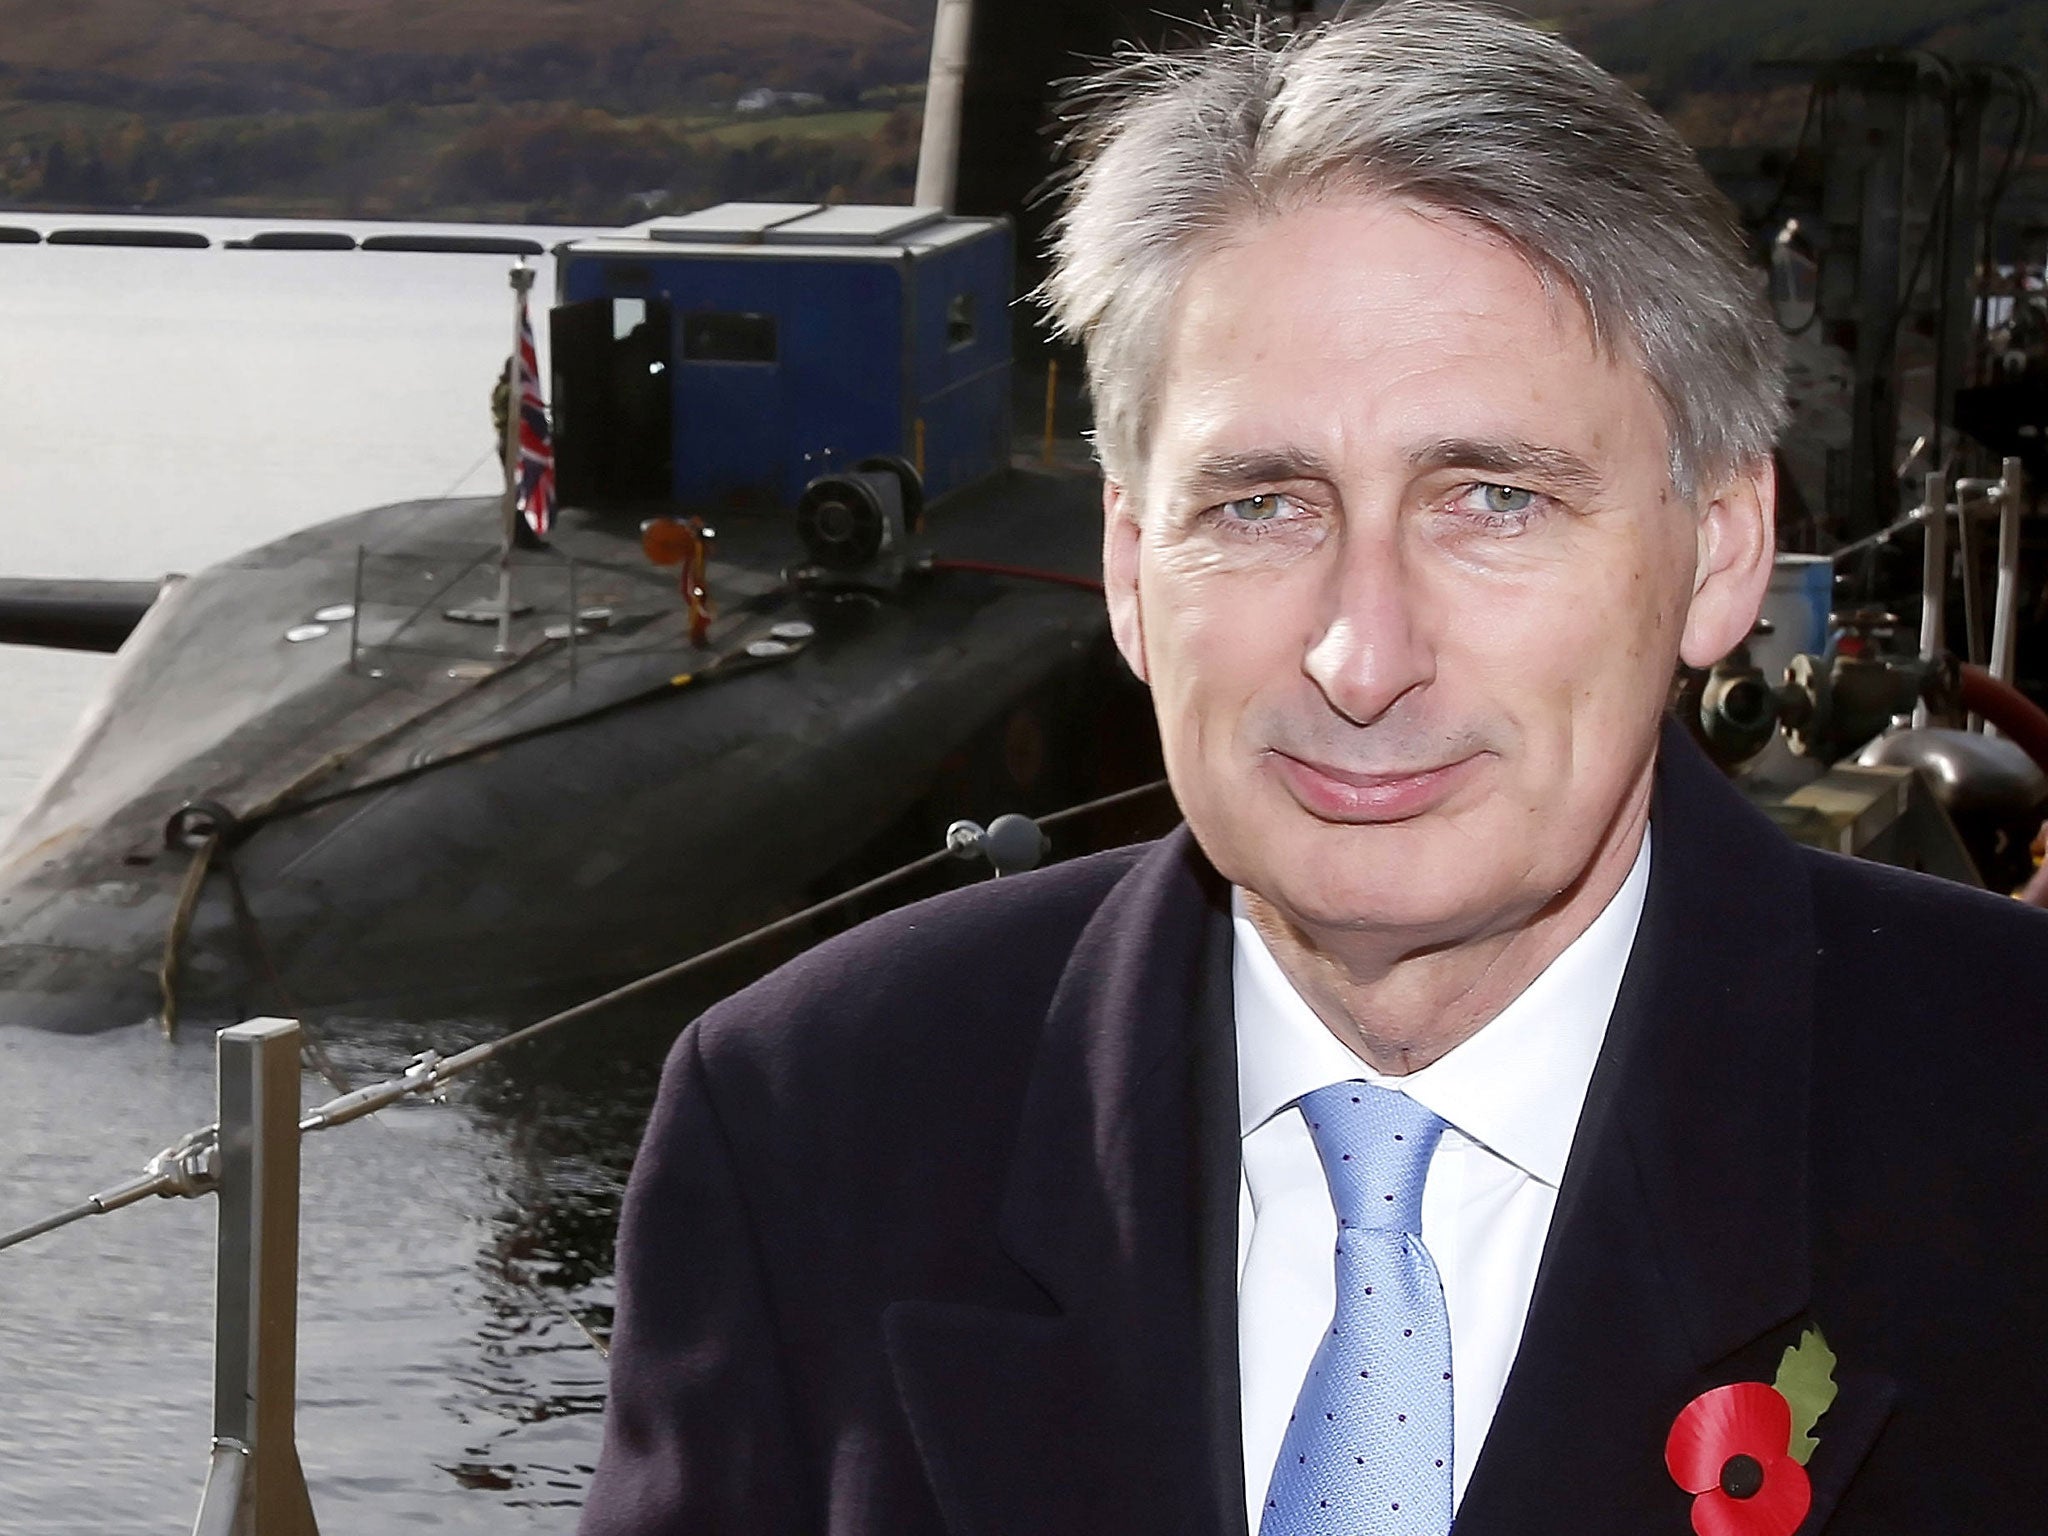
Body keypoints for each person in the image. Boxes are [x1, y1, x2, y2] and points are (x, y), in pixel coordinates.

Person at [579, 5, 2048, 1534]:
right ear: (1133, 567)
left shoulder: (2011, 1125)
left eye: (1493, 498)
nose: (1364, 656)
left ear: (1721, 551)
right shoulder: (809, 1120)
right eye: (1264, 504)